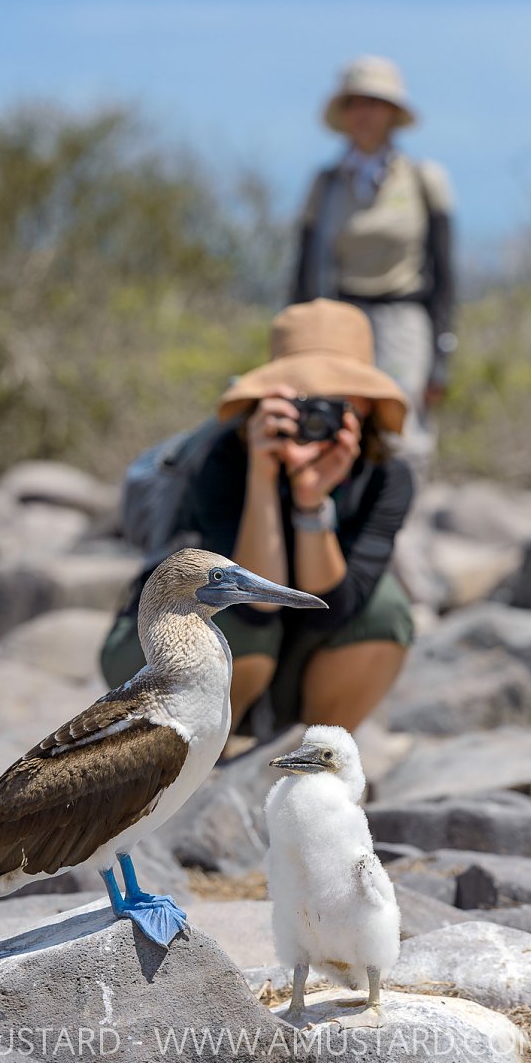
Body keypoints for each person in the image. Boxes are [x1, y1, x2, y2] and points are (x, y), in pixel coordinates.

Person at [101, 299, 414, 738]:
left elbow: (332, 612)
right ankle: (191, 753)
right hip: (168, 652)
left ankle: (312, 766)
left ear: (366, 402)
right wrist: (262, 477)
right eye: (305, 398)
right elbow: (257, 605)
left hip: (287, 659)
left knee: (385, 611)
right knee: (237, 615)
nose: (318, 415)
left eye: (338, 396)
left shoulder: (386, 477)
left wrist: (311, 503)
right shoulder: (223, 455)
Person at [290, 56, 456, 470]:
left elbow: (445, 272)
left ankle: (405, 529)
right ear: (344, 113)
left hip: (404, 318)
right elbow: (303, 272)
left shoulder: (424, 179)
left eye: (375, 102)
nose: (364, 113)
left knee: (402, 433)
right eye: (355, 103)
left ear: (392, 113)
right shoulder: (324, 185)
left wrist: (441, 354)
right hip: (340, 319)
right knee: (334, 428)